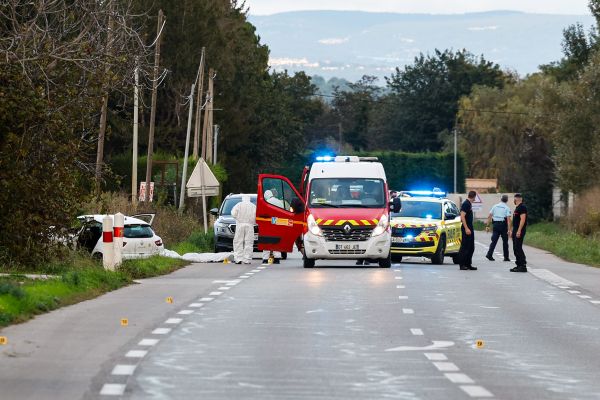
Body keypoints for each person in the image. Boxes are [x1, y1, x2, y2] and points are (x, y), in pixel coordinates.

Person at [485, 195, 512, 262]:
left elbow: (489, 216)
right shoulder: (507, 208)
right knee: (505, 242)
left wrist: (488, 226)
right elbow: (508, 220)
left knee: (494, 241)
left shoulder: (495, 206)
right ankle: (506, 257)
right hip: (503, 225)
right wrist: (509, 230)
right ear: (507, 200)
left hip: (495, 225)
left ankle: (489, 254)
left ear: (501, 199)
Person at [230, 195, 256, 264]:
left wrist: (238, 218)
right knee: (249, 242)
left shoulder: (238, 205)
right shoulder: (253, 206)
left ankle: (238, 259)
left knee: (238, 242)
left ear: (242, 199)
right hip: (249, 225)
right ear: (249, 199)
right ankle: (247, 259)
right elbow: (256, 216)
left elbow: (233, 213)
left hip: (240, 225)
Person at [262, 189, 283, 264]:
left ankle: (265, 258)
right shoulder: (279, 201)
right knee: (276, 241)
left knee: (266, 240)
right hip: (277, 222)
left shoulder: (266, 202)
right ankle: (277, 258)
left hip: (268, 223)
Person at [458, 191, 478, 271]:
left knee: (471, 247)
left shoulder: (469, 204)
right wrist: (466, 228)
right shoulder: (466, 204)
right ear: (474, 197)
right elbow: (462, 216)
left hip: (470, 228)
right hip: (467, 228)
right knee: (465, 247)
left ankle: (468, 264)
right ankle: (462, 264)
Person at [511, 193, 528, 272]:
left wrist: (519, 230)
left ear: (516, 199)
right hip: (515, 230)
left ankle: (523, 265)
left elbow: (523, 219)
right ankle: (518, 265)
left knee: (518, 247)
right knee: (515, 248)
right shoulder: (517, 208)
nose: (513, 201)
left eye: (514, 199)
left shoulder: (522, 207)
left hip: (519, 230)